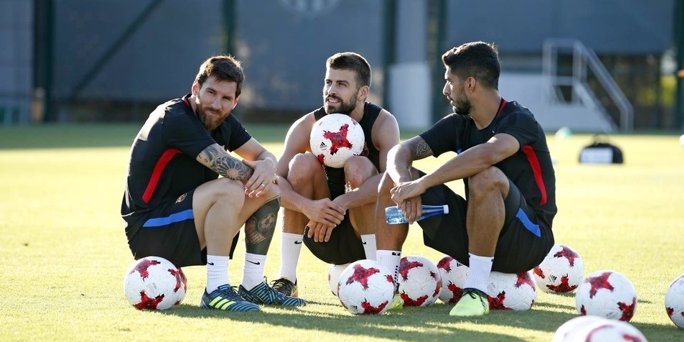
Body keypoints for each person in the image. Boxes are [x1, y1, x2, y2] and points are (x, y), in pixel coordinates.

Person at [375, 41, 556, 317]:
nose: (445, 90)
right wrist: (404, 184)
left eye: (449, 81)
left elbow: (488, 154)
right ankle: (386, 286)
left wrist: (422, 185)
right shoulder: (459, 124)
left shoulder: (519, 120)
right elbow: (403, 150)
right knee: (392, 176)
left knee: (485, 176)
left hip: (528, 240)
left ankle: (476, 292)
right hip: (476, 233)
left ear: (470, 84)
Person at [121, 55, 305, 312]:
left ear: (235, 101)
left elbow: (265, 156)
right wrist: (263, 171)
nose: (216, 104)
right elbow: (230, 168)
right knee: (230, 188)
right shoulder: (174, 118)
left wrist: (267, 165)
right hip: (150, 231)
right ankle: (216, 289)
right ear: (196, 88)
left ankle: (252, 286)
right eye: (211, 93)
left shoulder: (223, 120)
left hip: (183, 222)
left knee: (270, 191)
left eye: (226, 98)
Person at [270, 52, 400, 298]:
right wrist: (308, 207)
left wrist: (342, 202)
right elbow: (273, 185)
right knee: (301, 164)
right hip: (321, 232)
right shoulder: (307, 125)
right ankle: (286, 279)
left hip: (368, 234)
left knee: (358, 166)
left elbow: (391, 184)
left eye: (341, 84)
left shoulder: (383, 123)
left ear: (362, 92)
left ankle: (379, 277)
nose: (331, 90)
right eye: (328, 82)